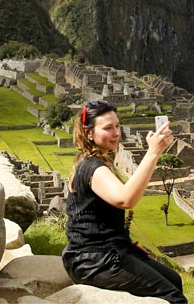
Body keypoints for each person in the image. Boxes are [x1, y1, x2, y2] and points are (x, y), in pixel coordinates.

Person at [61, 100, 187, 303]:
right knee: (172, 298)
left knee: (174, 280)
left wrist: (126, 246)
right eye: (108, 128)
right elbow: (125, 199)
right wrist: (153, 152)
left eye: (117, 126)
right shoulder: (93, 167)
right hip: (93, 259)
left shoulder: (96, 162)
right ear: (89, 133)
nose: (116, 133)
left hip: (106, 251)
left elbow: (100, 221)